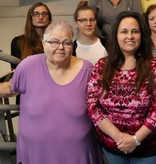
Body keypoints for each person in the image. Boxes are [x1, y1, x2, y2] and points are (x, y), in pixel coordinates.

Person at [0, 21, 103, 164]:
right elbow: (11, 87)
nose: (60, 47)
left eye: (66, 42)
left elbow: (103, 103)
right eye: (54, 42)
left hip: (77, 154)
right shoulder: (28, 65)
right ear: (43, 44)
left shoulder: (87, 70)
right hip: (36, 154)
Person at [87, 11, 156, 164]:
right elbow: (93, 106)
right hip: (113, 146)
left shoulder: (154, 66)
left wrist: (135, 139)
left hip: (148, 148)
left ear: (142, 35)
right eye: (124, 31)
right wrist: (118, 137)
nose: (130, 36)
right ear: (116, 36)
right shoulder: (101, 66)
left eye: (135, 31)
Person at [10, 2, 52, 69]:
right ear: (30, 18)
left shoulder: (56, 42)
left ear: (49, 19)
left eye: (44, 14)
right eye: (36, 14)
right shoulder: (18, 41)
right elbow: (15, 70)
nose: (41, 17)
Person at [73, 0, 107, 64]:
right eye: (83, 20)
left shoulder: (107, 45)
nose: (88, 24)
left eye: (92, 20)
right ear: (76, 23)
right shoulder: (71, 49)